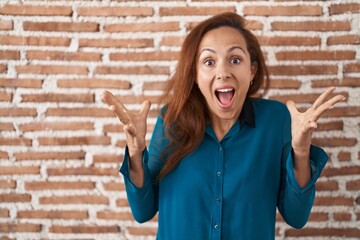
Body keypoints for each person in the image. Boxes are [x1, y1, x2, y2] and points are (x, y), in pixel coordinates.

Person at [102, 12, 345, 240]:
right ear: (195, 75)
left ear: (251, 70)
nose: (223, 72)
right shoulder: (171, 121)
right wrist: (135, 152)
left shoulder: (276, 120)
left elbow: (297, 216)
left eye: (235, 59)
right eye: (209, 61)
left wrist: (301, 152)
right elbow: (142, 211)